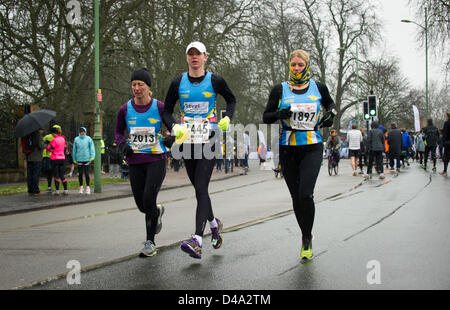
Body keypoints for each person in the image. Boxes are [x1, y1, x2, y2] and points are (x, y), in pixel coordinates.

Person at [163, 41, 236, 259]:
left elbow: (231, 99)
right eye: (191, 54)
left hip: (210, 138)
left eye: (198, 54)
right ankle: (214, 225)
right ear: (187, 58)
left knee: (201, 187)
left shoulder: (215, 80)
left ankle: (196, 239)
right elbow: (167, 110)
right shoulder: (178, 82)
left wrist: (227, 118)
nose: (194, 57)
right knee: (199, 189)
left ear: (205, 57)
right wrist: (173, 126)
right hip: (188, 140)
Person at [263, 49, 337, 260]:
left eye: (300, 65)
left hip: (312, 146)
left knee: (306, 194)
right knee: (296, 197)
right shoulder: (280, 89)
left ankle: (307, 238)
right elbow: (266, 116)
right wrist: (279, 114)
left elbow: (330, 105)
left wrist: (330, 115)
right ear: (289, 65)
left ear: (307, 65)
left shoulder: (318, 87)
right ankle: (305, 234)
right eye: (293, 65)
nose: (296, 68)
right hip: (288, 148)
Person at [115, 68, 171, 257]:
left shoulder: (160, 107)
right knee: (142, 206)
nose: (137, 88)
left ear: (148, 87)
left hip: (156, 160)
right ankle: (157, 211)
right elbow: (117, 132)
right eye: (134, 85)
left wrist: (171, 137)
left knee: (148, 198)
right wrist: (122, 145)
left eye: (141, 85)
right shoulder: (125, 109)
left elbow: (174, 126)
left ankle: (150, 243)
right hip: (135, 161)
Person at [72, 126, 95, 194]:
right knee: (80, 174)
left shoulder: (88, 139)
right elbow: (74, 150)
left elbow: (92, 148)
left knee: (87, 173)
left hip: (87, 158)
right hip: (79, 159)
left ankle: (88, 187)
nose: (82, 133)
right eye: (81, 132)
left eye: (83, 132)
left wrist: (92, 156)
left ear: (85, 132)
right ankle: (81, 187)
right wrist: (74, 158)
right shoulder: (76, 139)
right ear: (79, 132)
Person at [47, 125, 68, 195]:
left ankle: (57, 191)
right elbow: (64, 147)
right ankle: (65, 190)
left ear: (53, 133)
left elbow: (48, 148)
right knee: (62, 175)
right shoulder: (63, 139)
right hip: (62, 158)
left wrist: (50, 149)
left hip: (55, 158)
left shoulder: (54, 140)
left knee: (56, 175)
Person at [25, 128, 45, 196]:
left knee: (30, 175)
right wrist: (46, 144)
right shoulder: (37, 135)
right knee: (35, 174)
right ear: (40, 129)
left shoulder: (28, 134)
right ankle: (36, 190)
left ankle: (30, 190)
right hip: (37, 158)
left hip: (29, 157)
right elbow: (41, 145)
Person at [42, 127, 56, 193]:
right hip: (48, 156)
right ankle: (50, 186)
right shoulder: (48, 137)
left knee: (49, 171)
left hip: (49, 156)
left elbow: (43, 144)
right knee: (50, 171)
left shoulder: (46, 137)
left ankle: (50, 186)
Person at [440, 112, 450, 176]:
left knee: (446, 157)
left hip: (448, 143)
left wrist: (443, 142)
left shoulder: (447, 123)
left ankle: (445, 171)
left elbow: (445, 133)